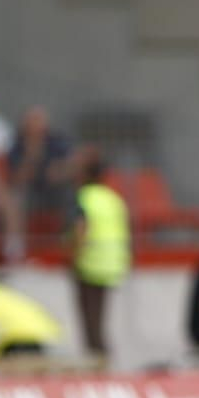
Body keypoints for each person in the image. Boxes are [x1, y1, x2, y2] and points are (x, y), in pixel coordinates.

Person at [71, 149, 130, 367]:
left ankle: (99, 364)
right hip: (113, 264)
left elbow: (81, 229)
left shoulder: (84, 197)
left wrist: (73, 256)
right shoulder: (113, 199)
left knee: (91, 323)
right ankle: (102, 361)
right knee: (100, 320)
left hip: (90, 265)